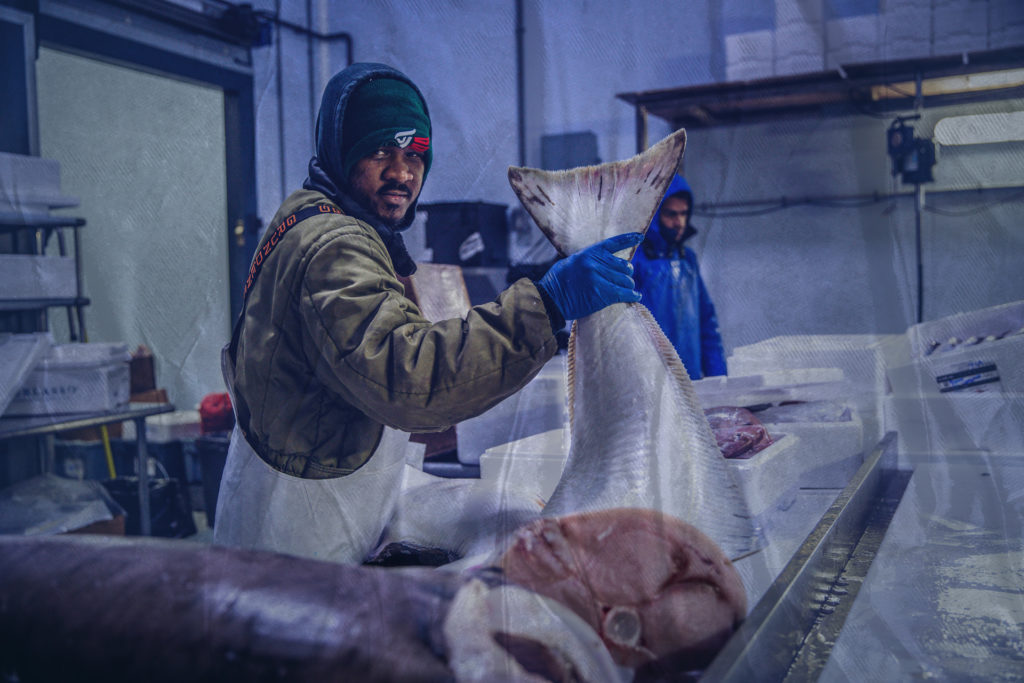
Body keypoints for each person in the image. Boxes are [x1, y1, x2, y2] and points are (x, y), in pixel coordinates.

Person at [213, 62, 642, 563]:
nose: (401, 172)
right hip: (294, 547)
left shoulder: (309, 214)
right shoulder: (333, 244)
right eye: (379, 151)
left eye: (415, 153)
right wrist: (544, 305)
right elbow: (409, 379)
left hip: (311, 502)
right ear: (340, 148)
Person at [632, 174, 727, 379]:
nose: (679, 222)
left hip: (690, 379)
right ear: (653, 213)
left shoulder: (687, 260)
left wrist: (719, 378)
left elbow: (706, 323)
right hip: (650, 382)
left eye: (684, 214)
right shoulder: (633, 262)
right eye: (671, 214)